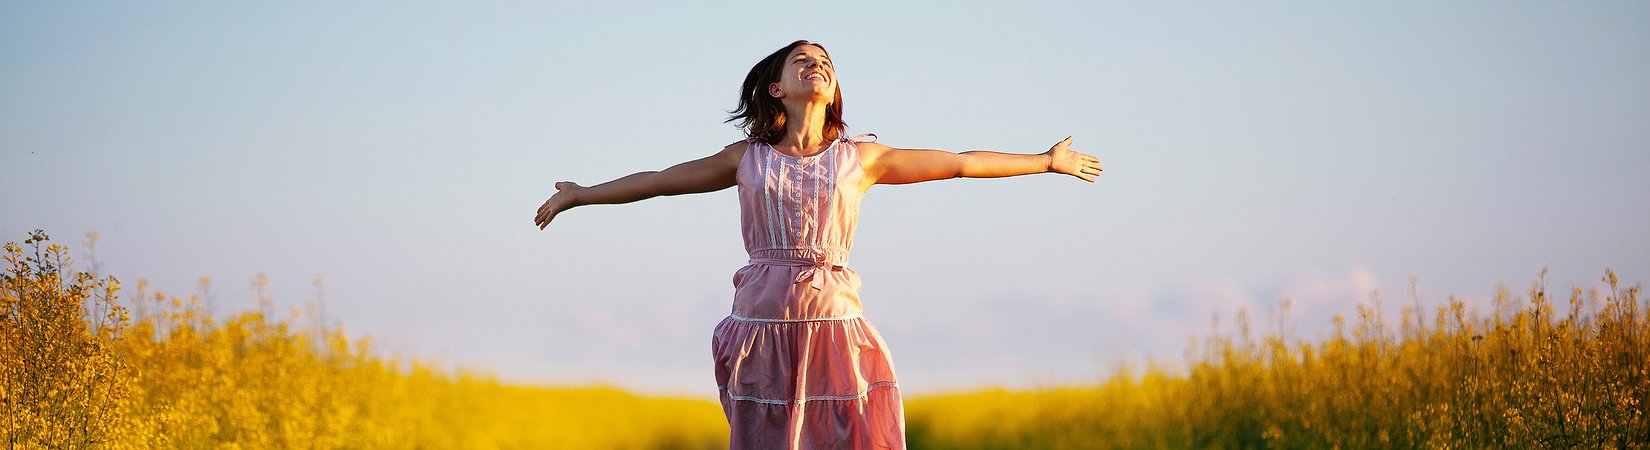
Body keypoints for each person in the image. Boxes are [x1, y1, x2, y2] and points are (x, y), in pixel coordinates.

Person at [533, 40, 1102, 449]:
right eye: (803, 59)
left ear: (833, 93)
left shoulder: (862, 159)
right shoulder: (745, 158)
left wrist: (1046, 162)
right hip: (760, 331)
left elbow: (957, 163)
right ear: (776, 88)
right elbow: (658, 181)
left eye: (826, 62)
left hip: (834, 331)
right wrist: (582, 194)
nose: (818, 65)